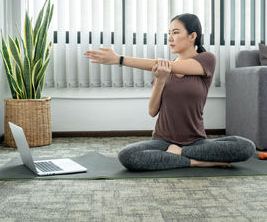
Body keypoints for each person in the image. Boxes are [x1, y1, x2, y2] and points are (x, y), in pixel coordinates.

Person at [84, 13, 256, 171]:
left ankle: (180, 153)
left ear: (192, 36)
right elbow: (152, 112)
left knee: (246, 146)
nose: (170, 38)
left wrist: (119, 59)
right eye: (169, 33)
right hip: (162, 141)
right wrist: (160, 80)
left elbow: (169, 66)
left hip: (196, 142)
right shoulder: (164, 70)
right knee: (127, 156)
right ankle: (195, 162)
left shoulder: (206, 60)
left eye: (175, 32)